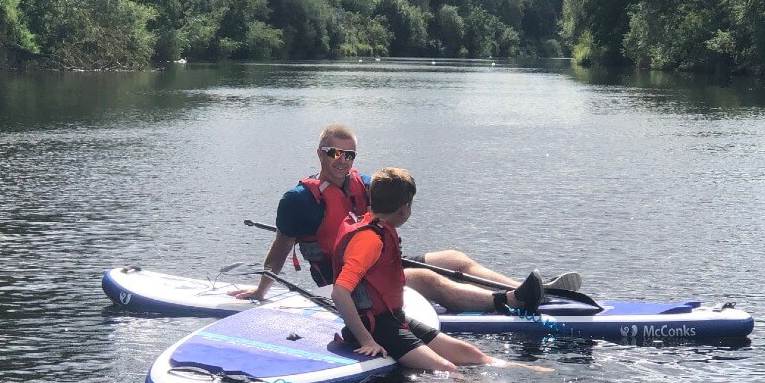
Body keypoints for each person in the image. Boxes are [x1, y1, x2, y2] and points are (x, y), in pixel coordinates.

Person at [229, 124, 581, 312]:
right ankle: (509, 301)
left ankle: (532, 289)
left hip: (379, 263)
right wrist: (262, 291)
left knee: (454, 258)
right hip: (345, 282)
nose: (343, 160)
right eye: (335, 152)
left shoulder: (362, 184)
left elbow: (392, 202)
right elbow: (280, 248)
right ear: (320, 153)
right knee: (428, 279)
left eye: (349, 154)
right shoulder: (298, 200)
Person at [331, 167, 551, 373]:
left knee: (471, 353)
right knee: (447, 370)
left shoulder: (377, 229)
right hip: (376, 329)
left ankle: (531, 371)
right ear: (405, 208)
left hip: (393, 319)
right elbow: (340, 292)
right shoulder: (370, 240)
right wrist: (366, 340)